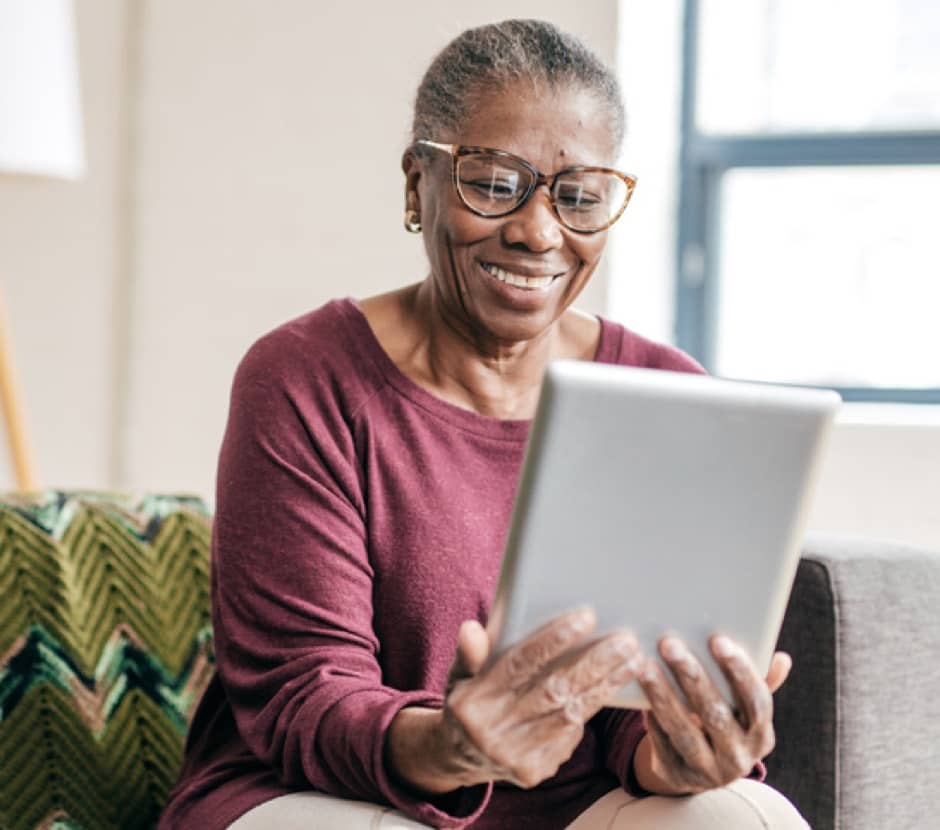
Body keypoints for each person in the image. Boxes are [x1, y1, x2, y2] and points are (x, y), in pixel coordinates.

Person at [160, 19, 810, 830]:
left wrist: (673, 752)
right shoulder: (305, 377)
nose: (539, 232)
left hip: (577, 808)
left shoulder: (664, 392)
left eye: (578, 197)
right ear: (415, 183)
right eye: (496, 183)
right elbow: (303, 695)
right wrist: (453, 747)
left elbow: (634, 697)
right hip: (332, 796)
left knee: (742, 814)